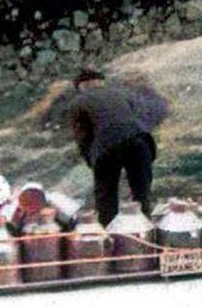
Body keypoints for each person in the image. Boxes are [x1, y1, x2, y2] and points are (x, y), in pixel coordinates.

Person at [68, 67, 168, 224]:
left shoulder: (79, 102)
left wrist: (92, 161)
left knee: (106, 197)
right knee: (142, 193)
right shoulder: (124, 93)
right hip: (140, 142)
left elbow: (83, 137)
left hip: (106, 147)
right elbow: (144, 116)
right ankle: (144, 230)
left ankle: (110, 235)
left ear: (81, 86)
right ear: (101, 82)